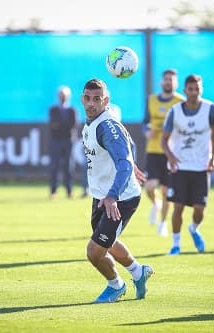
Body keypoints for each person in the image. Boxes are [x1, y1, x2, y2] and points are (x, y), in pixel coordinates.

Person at [81, 78, 153, 303]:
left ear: (106, 101)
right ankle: (139, 272)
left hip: (120, 197)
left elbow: (123, 160)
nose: (91, 103)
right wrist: (131, 162)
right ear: (82, 99)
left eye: (97, 99)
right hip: (102, 195)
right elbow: (128, 146)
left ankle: (116, 285)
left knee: (94, 251)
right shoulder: (94, 123)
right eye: (87, 98)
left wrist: (113, 193)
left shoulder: (106, 126)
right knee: (107, 242)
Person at [161, 74, 214, 256]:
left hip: (201, 166)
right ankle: (176, 244)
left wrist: (213, 158)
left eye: (197, 89)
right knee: (177, 207)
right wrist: (170, 157)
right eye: (191, 89)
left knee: (199, 210)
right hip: (179, 166)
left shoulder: (211, 109)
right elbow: (164, 140)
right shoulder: (174, 111)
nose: (194, 93)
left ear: (201, 90)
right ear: (185, 90)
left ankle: (194, 229)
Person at [142, 69, 185, 237]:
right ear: (161, 82)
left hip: (171, 152)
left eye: (171, 80)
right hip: (153, 150)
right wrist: (147, 131)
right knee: (149, 187)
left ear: (176, 83)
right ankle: (155, 204)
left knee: (167, 192)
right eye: (166, 79)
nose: (168, 82)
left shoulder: (180, 101)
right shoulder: (151, 100)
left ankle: (163, 222)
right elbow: (145, 121)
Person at [48, 85, 78, 199]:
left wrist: (61, 125)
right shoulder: (53, 110)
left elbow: (74, 125)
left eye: (64, 95)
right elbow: (53, 125)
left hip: (68, 141)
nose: (62, 97)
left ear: (68, 96)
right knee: (54, 166)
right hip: (56, 141)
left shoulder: (72, 110)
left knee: (68, 167)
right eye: (61, 95)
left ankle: (69, 191)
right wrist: (65, 125)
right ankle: (53, 191)